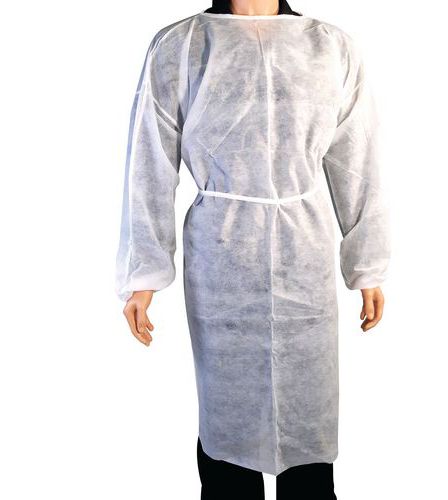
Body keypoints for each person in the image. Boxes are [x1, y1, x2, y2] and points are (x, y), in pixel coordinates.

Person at [115, 0, 391, 498]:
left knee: (308, 437)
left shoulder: (329, 46)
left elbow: (357, 158)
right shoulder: (182, 46)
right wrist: (143, 272)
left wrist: (367, 263)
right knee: (227, 432)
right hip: (221, 256)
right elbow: (149, 161)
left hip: (303, 254)